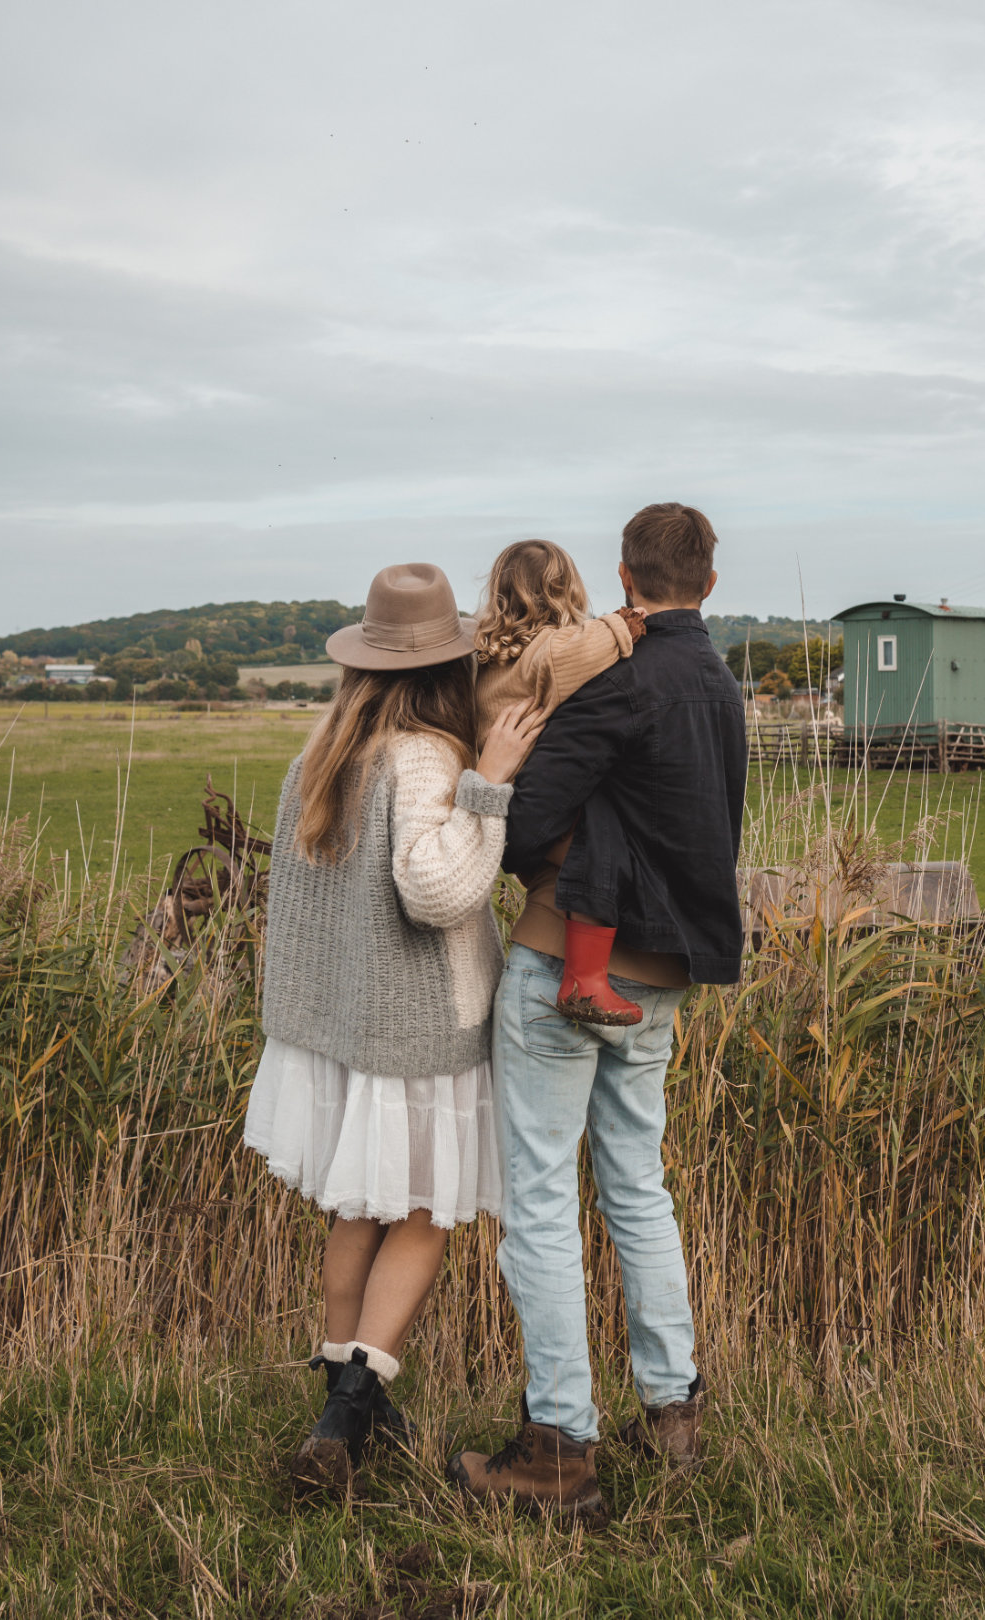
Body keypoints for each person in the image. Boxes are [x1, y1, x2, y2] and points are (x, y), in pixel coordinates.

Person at [449, 503, 748, 1526]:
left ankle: (559, 1449)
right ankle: (672, 1414)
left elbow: (530, 818)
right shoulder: (716, 682)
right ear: (707, 582)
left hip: (562, 962)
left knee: (537, 1199)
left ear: (627, 575)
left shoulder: (617, 680)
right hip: (662, 972)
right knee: (636, 1186)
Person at [243, 561, 543, 1497]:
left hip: (338, 1029)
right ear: (443, 666)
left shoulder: (322, 750)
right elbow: (437, 890)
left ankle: (350, 1404)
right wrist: (488, 783)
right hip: (415, 1027)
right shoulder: (421, 756)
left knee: (355, 1212)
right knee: (419, 1216)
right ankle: (348, 1410)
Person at [474, 537, 649, 1028]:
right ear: (563, 591)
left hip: (503, 796)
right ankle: (585, 982)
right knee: (598, 862)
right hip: (540, 799)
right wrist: (621, 624)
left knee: (575, 869)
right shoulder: (546, 651)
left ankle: (583, 974)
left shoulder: (487, 658)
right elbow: (583, 650)